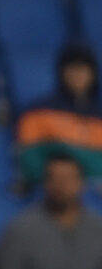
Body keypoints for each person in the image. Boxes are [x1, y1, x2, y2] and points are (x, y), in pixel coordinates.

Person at [0, 151, 102, 269]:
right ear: (45, 183)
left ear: (81, 183)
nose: (61, 186)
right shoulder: (21, 228)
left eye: (68, 179)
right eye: (55, 179)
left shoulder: (97, 228)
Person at [16, 43, 102, 188]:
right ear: (61, 72)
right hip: (53, 193)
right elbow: (30, 160)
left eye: (83, 69)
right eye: (72, 69)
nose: (78, 75)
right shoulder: (38, 112)